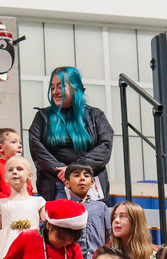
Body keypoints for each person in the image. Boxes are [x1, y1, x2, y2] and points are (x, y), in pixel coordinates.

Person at [28, 67, 114, 202]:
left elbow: (105, 146)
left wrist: (76, 170)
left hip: (89, 183)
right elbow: (37, 150)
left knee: (92, 216)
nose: (55, 92)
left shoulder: (96, 116)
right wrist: (64, 173)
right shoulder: (43, 117)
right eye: (52, 87)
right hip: (56, 183)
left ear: (75, 87)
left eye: (60, 87)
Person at [62, 160, 109, 259]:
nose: (82, 178)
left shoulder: (101, 207)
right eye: (77, 175)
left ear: (92, 183)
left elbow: (108, 235)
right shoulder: (64, 207)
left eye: (86, 176)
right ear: (67, 183)